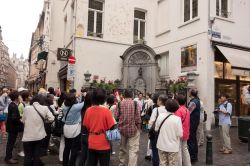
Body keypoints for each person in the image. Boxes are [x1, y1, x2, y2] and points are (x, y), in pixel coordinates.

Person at [83, 88, 115, 166]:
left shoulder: (88, 110)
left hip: (92, 141)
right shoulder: (106, 111)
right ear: (104, 98)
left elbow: (86, 126)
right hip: (104, 142)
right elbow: (112, 127)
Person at [22, 94, 54, 166]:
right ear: (42, 100)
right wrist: (45, 121)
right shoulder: (45, 108)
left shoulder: (27, 108)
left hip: (28, 136)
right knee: (37, 155)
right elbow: (52, 118)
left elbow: (23, 120)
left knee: (28, 156)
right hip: (39, 136)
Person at [115, 89, 141, 166]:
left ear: (124, 95)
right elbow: (138, 118)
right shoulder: (135, 104)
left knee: (122, 149)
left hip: (122, 130)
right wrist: (139, 129)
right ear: (132, 95)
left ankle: (121, 164)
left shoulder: (119, 104)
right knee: (133, 150)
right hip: (133, 130)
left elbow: (116, 116)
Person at [155, 99, 183, 166]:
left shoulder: (160, 116)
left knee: (162, 163)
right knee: (172, 164)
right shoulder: (177, 119)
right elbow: (180, 134)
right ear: (176, 108)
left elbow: (156, 129)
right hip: (173, 147)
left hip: (161, 145)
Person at [62, 93, 84, 166]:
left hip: (66, 128)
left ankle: (65, 163)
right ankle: (72, 164)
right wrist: (82, 95)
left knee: (67, 148)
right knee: (74, 149)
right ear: (73, 100)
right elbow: (85, 102)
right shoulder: (76, 107)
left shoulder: (64, 106)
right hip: (75, 129)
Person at [5, 90, 23, 164]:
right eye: (19, 96)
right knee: (11, 143)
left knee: (11, 142)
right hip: (13, 128)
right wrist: (20, 119)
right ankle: (8, 158)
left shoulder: (13, 104)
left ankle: (8, 157)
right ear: (16, 97)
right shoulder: (13, 106)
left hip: (11, 127)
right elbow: (14, 118)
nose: (20, 97)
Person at [148, 94, 167, 166]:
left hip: (156, 134)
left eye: (158, 99)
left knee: (155, 152)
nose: (157, 101)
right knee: (164, 152)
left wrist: (149, 130)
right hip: (165, 133)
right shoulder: (168, 109)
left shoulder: (156, 110)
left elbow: (151, 122)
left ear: (160, 101)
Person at [175, 94, 191, 166]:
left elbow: (176, 123)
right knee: (185, 149)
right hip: (186, 132)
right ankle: (188, 164)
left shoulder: (178, 110)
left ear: (177, 101)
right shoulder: (187, 109)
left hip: (180, 132)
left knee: (178, 150)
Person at [79, 91, 92, 166]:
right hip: (89, 134)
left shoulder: (82, 108)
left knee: (83, 155)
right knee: (89, 157)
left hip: (83, 132)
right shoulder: (91, 110)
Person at [187, 89, 200, 163]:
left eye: (189, 92)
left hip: (192, 123)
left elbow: (188, 112)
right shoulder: (196, 100)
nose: (188, 92)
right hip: (194, 122)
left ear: (191, 94)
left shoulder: (193, 102)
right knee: (193, 139)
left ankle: (193, 157)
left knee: (191, 140)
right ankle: (194, 155)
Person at [17, 90, 30, 157]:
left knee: (25, 138)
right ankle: (20, 151)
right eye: (28, 96)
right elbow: (19, 115)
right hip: (22, 124)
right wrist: (24, 116)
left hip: (27, 124)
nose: (30, 97)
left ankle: (24, 150)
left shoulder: (28, 103)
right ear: (26, 97)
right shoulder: (21, 105)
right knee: (21, 138)